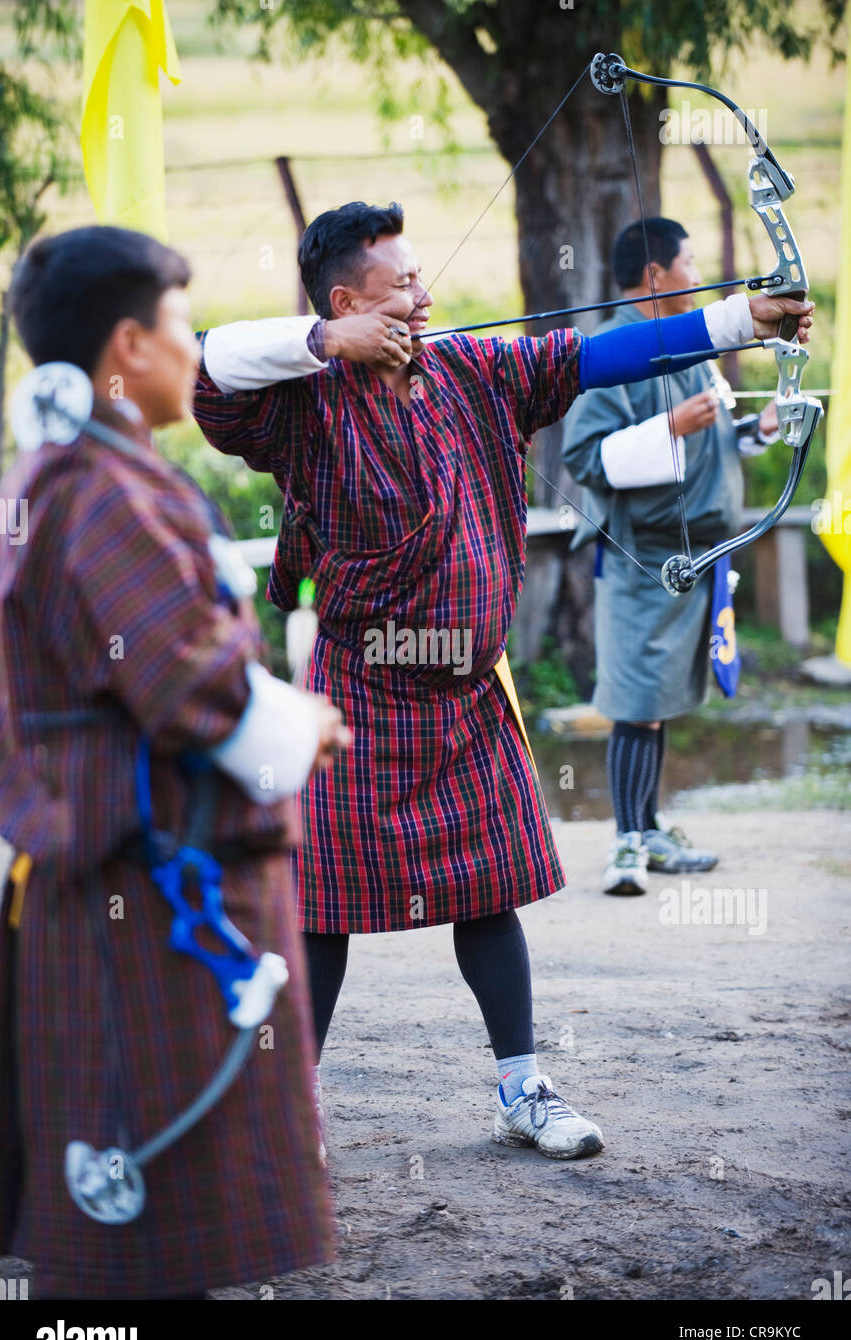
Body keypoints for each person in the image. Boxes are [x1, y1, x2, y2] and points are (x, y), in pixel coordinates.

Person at [193, 200, 812, 1159]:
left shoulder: (473, 370)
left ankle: (522, 1088)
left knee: (488, 895)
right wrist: (325, 341)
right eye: (402, 285)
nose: (426, 295)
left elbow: (599, 357)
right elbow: (206, 362)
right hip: (361, 691)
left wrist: (740, 322)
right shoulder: (295, 406)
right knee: (322, 909)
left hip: (468, 688)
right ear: (349, 301)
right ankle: (288, 1107)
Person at [0, 225, 350, 1299]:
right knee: (142, 1224)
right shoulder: (101, 492)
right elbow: (188, 685)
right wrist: (304, 727)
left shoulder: (60, 472)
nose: (197, 354)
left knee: (128, 1217)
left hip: (118, 873)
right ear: (127, 346)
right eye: (182, 329)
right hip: (147, 885)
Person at [562, 218, 787, 896]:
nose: (699, 272)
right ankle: (628, 844)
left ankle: (649, 828)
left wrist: (758, 430)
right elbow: (583, 457)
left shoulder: (689, 342)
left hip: (688, 557)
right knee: (636, 701)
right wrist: (666, 425)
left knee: (654, 701)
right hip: (641, 557)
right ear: (655, 274)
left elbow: (705, 444)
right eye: (689, 261)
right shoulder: (614, 347)